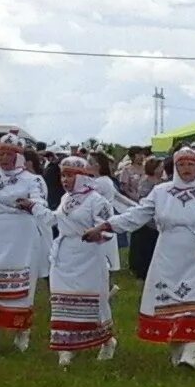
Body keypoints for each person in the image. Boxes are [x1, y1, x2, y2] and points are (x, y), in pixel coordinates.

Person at [102, 145, 195, 368]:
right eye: (182, 164)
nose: (187, 169)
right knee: (171, 306)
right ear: (174, 167)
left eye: (191, 164)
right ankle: (178, 357)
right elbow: (137, 214)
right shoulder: (161, 192)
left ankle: (191, 354)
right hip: (167, 254)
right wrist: (108, 225)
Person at [0, 135, 50, 353]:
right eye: (0, 153)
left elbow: (40, 203)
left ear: (19, 157)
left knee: (21, 288)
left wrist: (31, 205)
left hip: (21, 238)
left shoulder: (33, 180)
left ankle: (21, 335)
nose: (3, 158)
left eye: (8, 154)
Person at [48, 156, 117, 365]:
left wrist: (97, 234)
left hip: (88, 256)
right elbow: (57, 219)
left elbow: (108, 227)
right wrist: (34, 208)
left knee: (93, 300)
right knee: (62, 299)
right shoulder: (65, 199)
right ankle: (65, 348)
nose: (64, 180)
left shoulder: (97, 200)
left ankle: (107, 342)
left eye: (69, 175)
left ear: (81, 176)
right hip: (64, 255)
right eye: (63, 175)